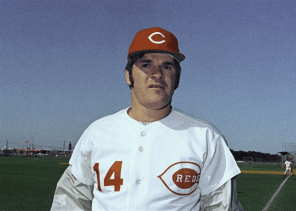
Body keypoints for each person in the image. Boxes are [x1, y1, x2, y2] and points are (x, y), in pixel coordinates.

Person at [51, 27, 244, 211]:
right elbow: (71, 199)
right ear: (128, 76)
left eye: (167, 66)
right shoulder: (97, 133)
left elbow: (223, 205)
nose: (157, 73)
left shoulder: (206, 137)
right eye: (146, 64)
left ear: (176, 79)